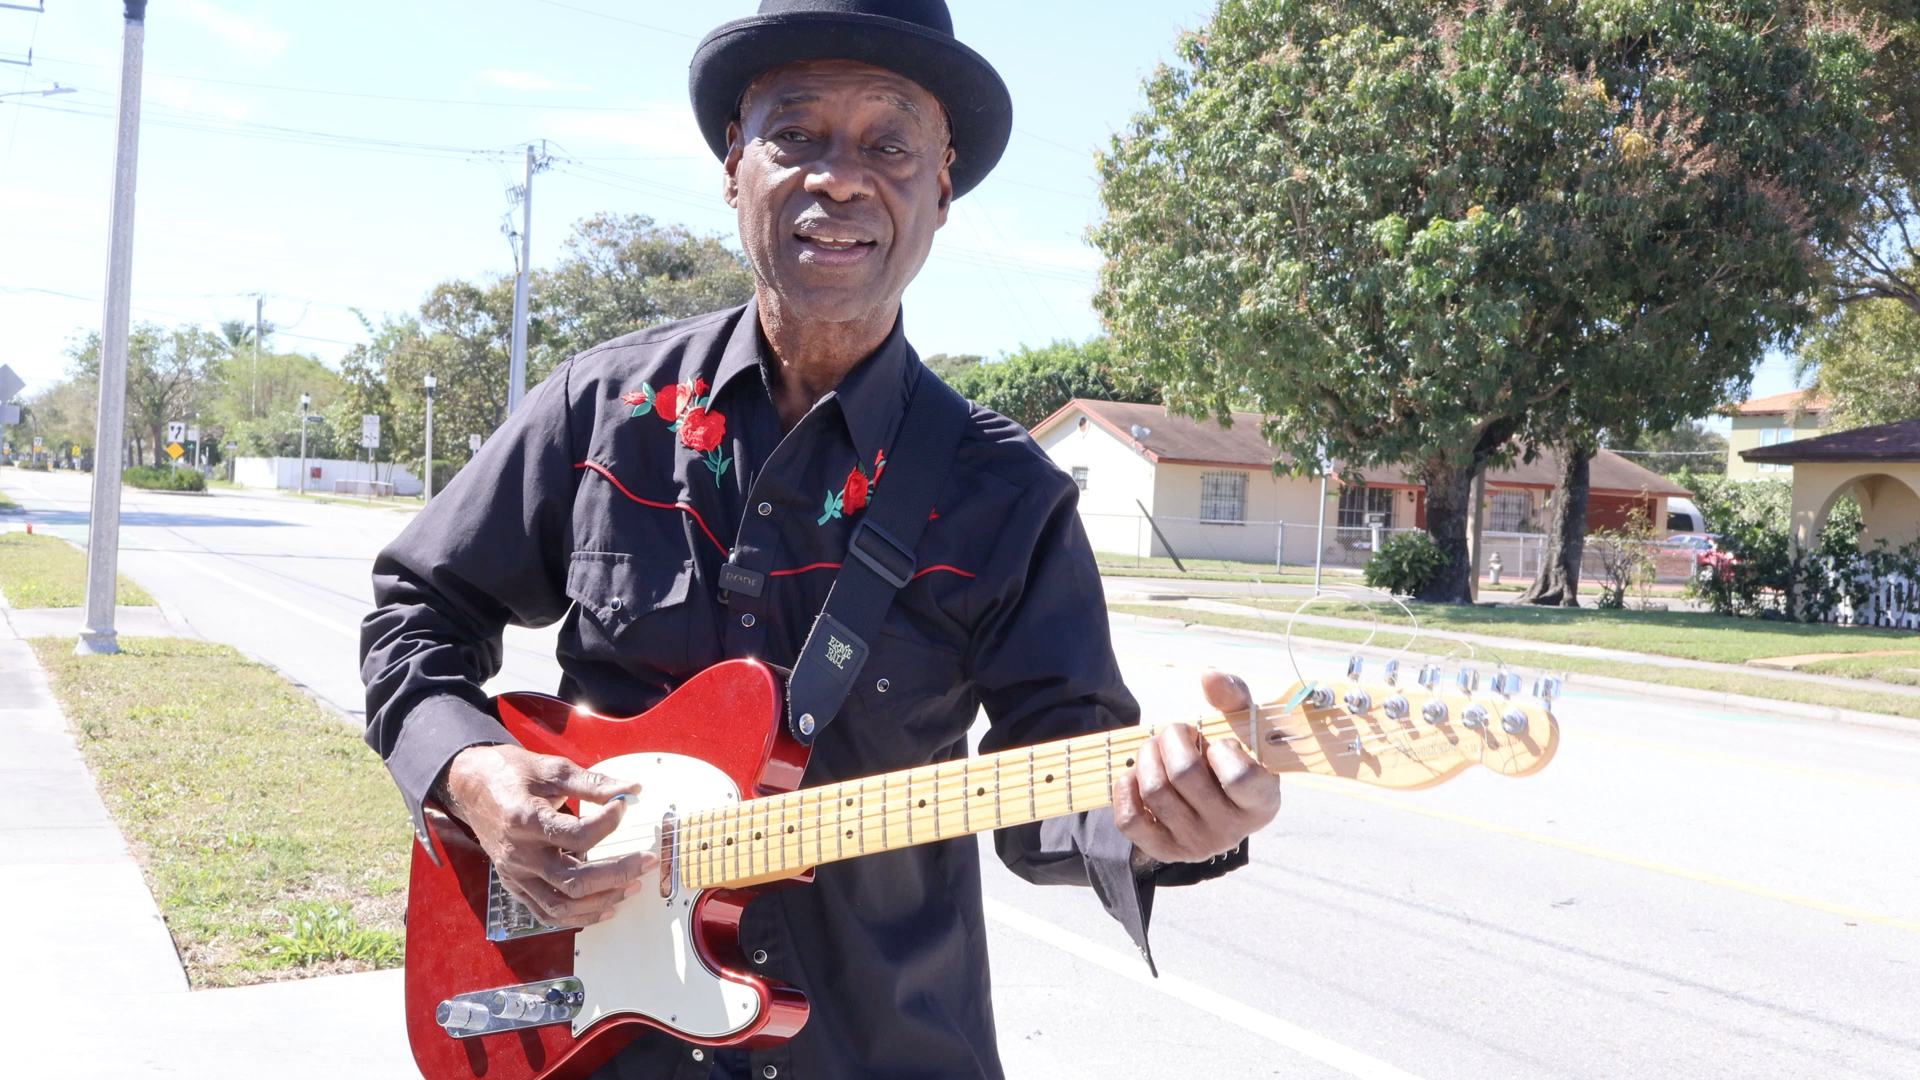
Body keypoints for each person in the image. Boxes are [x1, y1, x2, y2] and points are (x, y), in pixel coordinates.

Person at [359, 2, 1281, 1077]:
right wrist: (468, 771)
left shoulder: (1009, 498)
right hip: (593, 1042)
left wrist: (1166, 822)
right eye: (796, 134)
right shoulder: (601, 410)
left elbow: (1055, 795)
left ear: (942, 186)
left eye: (889, 144)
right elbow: (416, 608)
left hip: (886, 1048)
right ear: (732, 165)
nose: (841, 178)